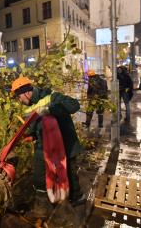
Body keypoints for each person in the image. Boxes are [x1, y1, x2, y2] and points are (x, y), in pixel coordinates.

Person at [11, 77, 85, 206]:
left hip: (65, 144)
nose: (19, 100)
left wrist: (49, 110)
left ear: (26, 93)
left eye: (19, 97)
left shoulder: (52, 97)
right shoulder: (29, 108)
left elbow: (74, 105)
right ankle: (45, 201)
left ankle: (76, 198)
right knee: (39, 176)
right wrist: (32, 136)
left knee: (69, 173)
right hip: (43, 147)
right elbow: (36, 126)